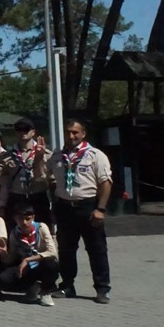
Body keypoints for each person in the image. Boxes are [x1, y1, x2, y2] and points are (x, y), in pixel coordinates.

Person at [48, 119, 113, 304]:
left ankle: (102, 288)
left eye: (75, 132)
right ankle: (67, 285)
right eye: (68, 132)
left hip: (88, 207)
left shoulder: (95, 155)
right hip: (64, 208)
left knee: (97, 249)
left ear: (83, 134)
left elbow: (105, 183)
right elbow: (51, 181)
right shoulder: (57, 156)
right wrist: (55, 205)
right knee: (66, 250)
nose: (71, 136)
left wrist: (100, 209)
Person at [0, 205, 59, 305]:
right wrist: (4, 254)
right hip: (27, 269)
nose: (24, 222)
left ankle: (46, 291)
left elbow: (52, 252)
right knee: (1, 279)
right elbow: (12, 257)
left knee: (51, 263)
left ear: (33, 218)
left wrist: (27, 260)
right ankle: (33, 286)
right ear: (15, 218)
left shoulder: (41, 228)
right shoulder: (14, 234)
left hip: (41, 264)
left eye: (28, 219)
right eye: (20, 219)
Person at [2, 119, 52, 221]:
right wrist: (2, 205)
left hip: (38, 198)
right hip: (17, 197)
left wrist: (39, 157)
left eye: (26, 129)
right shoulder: (8, 155)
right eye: (19, 129)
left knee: (41, 228)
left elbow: (49, 180)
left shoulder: (46, 154)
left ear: (33, 132)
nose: (22, 132)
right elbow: (5, 182)